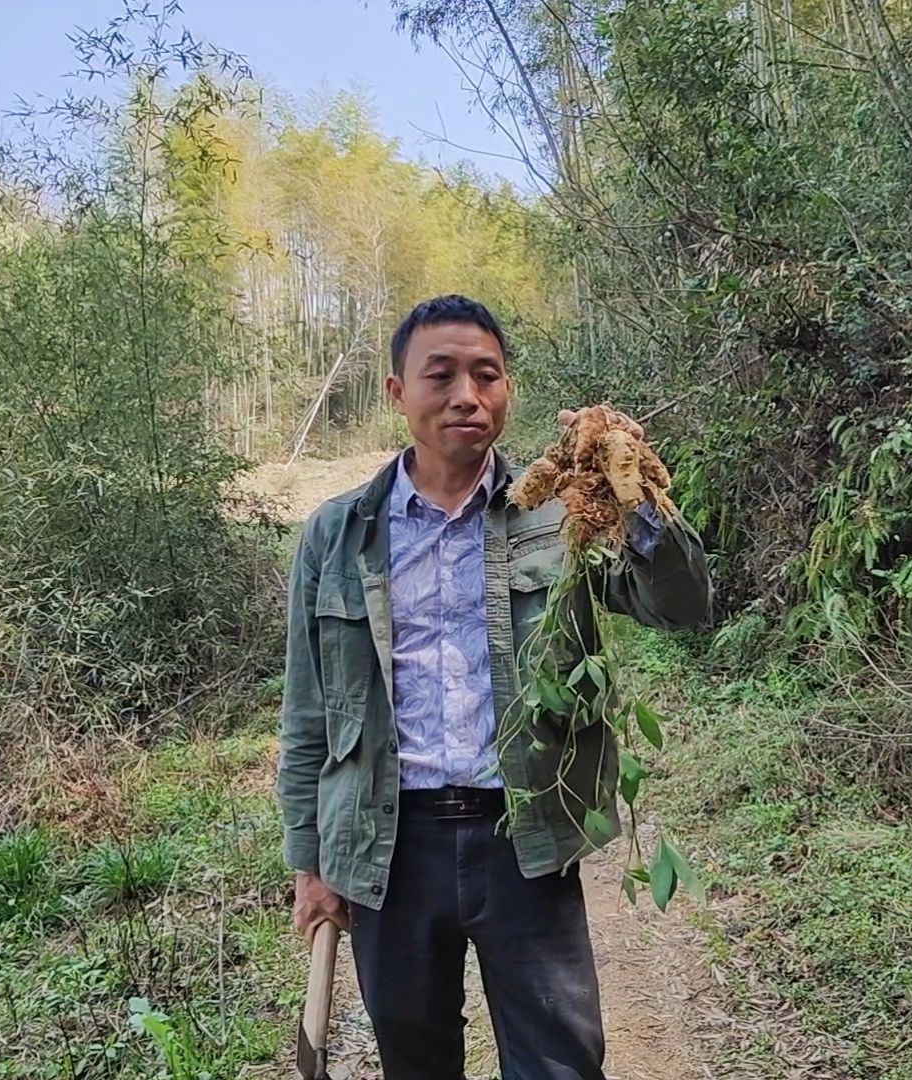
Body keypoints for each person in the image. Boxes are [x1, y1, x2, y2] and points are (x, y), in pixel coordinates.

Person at [275, 294, 712, 1080]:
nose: (466, 395)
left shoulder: (561, 518)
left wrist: (634, 490)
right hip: (388, 847)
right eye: (440, 375)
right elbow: (308, 711)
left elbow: (681, 608)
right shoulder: (336, 535)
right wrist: (310, 866)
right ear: (397, 393)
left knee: (560, 1063)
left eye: (487, 374)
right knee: (417, 1061)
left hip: (524, 836)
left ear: (508, 389)